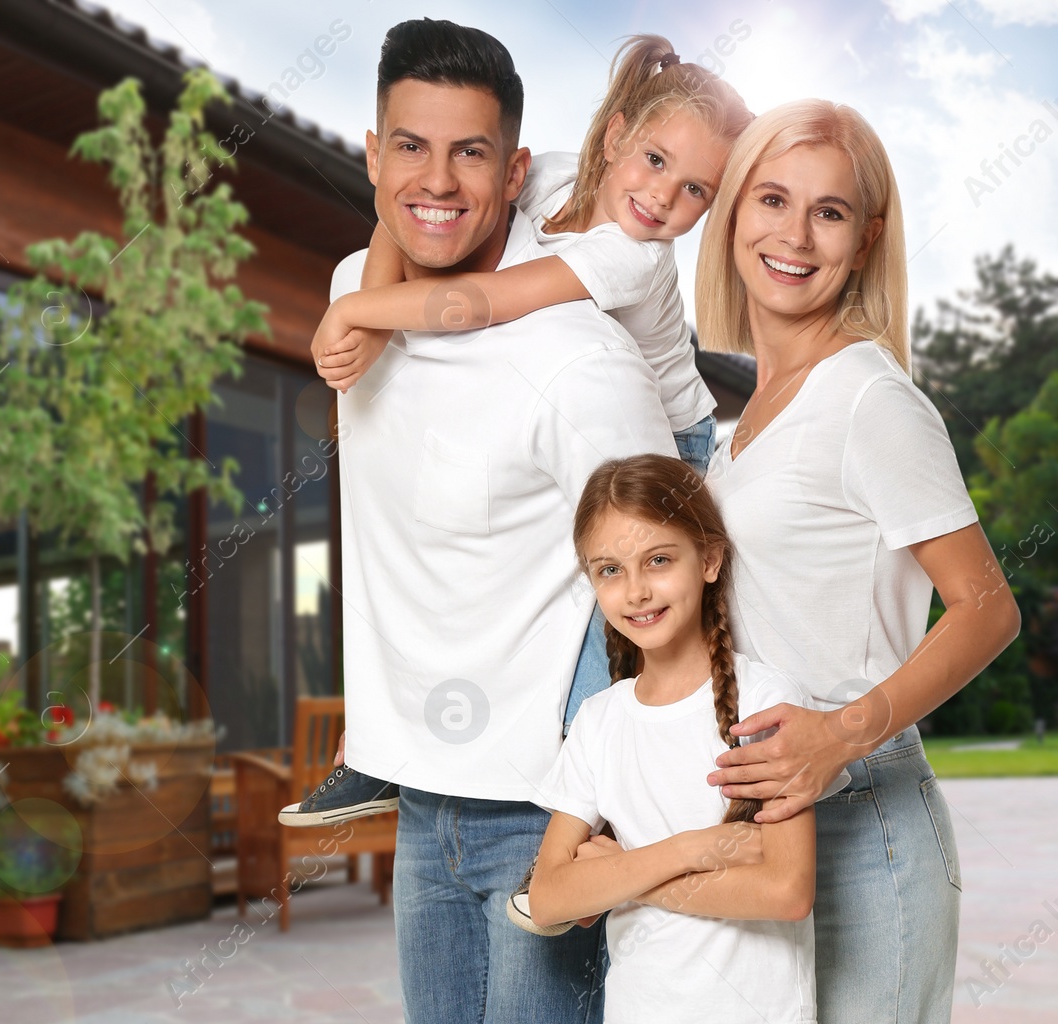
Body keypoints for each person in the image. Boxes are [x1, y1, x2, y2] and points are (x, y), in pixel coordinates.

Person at [286, 34, 752, 828]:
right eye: (653, 161)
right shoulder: (544, 175)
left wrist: (359, 312)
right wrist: (367, 304)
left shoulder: (630, 257)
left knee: (593, 653)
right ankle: (383, 751)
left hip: (674, 444)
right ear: (613, 140)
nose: (663, 198)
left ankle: (586, 817)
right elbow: (401, 215)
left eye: (696, 192)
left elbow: (482, 302)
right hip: (594, 422)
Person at [312, 19, 676, 1022]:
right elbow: (404, 227)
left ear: (514, 170)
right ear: (372, 153)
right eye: (409, 146)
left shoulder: (575, 357)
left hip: (545, 807)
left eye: (469, 151)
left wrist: (610, 802)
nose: (437, 180)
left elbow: (673, 582)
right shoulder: (355, 287)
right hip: (423, 801)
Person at [693, 100, 1021, 1023]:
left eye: (828, 212)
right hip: (774, 829)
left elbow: (990, 609)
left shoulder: (871, 399)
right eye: (771, 200)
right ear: (732, 219)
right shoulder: (744, 424)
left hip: (867, 821)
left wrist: (839, 737)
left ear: (866, 238)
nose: (793, 235)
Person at [524, 453, 832, 1024]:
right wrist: (692, 851)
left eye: (658, 560)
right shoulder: (599, 720)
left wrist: (621, 877)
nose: (636, 591)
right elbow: (546, 897)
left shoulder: (765, 701)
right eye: (609, 570)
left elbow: (786, 891)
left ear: (709, 559)